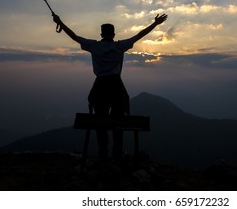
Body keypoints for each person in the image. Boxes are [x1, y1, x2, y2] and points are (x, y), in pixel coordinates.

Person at [53, 13, 168, 159]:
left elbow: (74, 37)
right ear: (113, 34)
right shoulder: (119, 46)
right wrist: (155, 24)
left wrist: (60, 22)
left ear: (101, 34)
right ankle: (117, 153)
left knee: (101, 122)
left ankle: (103, 152)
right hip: (116, 87)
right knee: (118, 121)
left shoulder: (94, 46)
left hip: (100, 86)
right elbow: (140, 35)